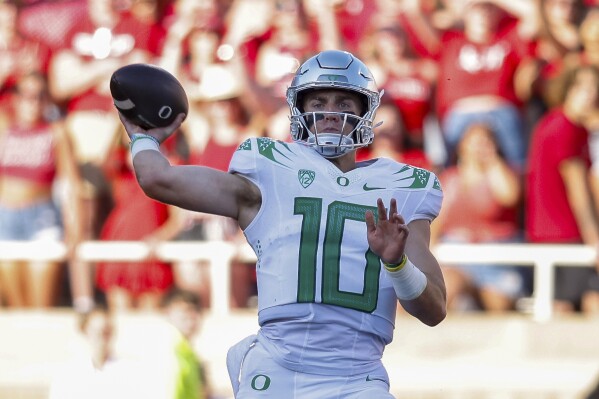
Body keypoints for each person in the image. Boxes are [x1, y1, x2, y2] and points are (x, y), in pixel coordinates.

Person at [118, 49, 446, 398]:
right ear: (299, 110)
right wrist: (143, 136)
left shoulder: (401, 188)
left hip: (357, 378)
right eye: (319, 101)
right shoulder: (269, 170)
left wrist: (397, 264)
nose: (331, 113)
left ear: (366, 113)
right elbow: (157, 179)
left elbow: (435, 310)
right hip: (278, 371)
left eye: (344, 104)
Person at [0, 72, 81, 308]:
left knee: (41, 306)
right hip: (5, 218)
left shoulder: (56, 132)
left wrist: (74, 228)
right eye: (25, 95)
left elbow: (71, 184)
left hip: (42, 218)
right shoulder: (4, 128)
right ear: (14, 98)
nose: (32, 102)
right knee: (16, 305)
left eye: (39, 96)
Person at [525, 64, 599, 314]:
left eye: (594, 88)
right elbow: (578, 190)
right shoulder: (565, 128)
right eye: (582, 87)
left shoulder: (559, 124)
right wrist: (595, 241)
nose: (590, 94)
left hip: (552, 235)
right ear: (567, 89)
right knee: (581, 304)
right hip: (564, 237)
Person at [431, 122, 526, 312]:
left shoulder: (502, 173)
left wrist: (492, 162)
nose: (480, 145)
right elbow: (435, 219)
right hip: (458, 255)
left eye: (486, 140)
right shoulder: (450, 179)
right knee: (448, 289)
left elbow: (510, 196)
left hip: (496, 255)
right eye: (475, 140)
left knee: (499, 304)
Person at [161, 288, 210, 399]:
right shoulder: (166, 350)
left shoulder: (189, 354)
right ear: (167, 313)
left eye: (196, 310)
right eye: (185, 310)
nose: (191, 316)